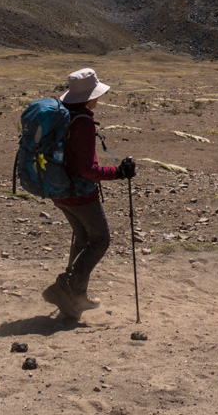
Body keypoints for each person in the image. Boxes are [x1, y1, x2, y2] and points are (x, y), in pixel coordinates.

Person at [41, 68, 136, 319]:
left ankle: (76, 298)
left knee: (83, 239)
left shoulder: (62, 117)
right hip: (79, 193)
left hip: (58, 189)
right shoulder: (81, 121)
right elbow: (87, 169)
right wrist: (118, 173)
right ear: (90, 97)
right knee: (100, 239)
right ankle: (66, 288)